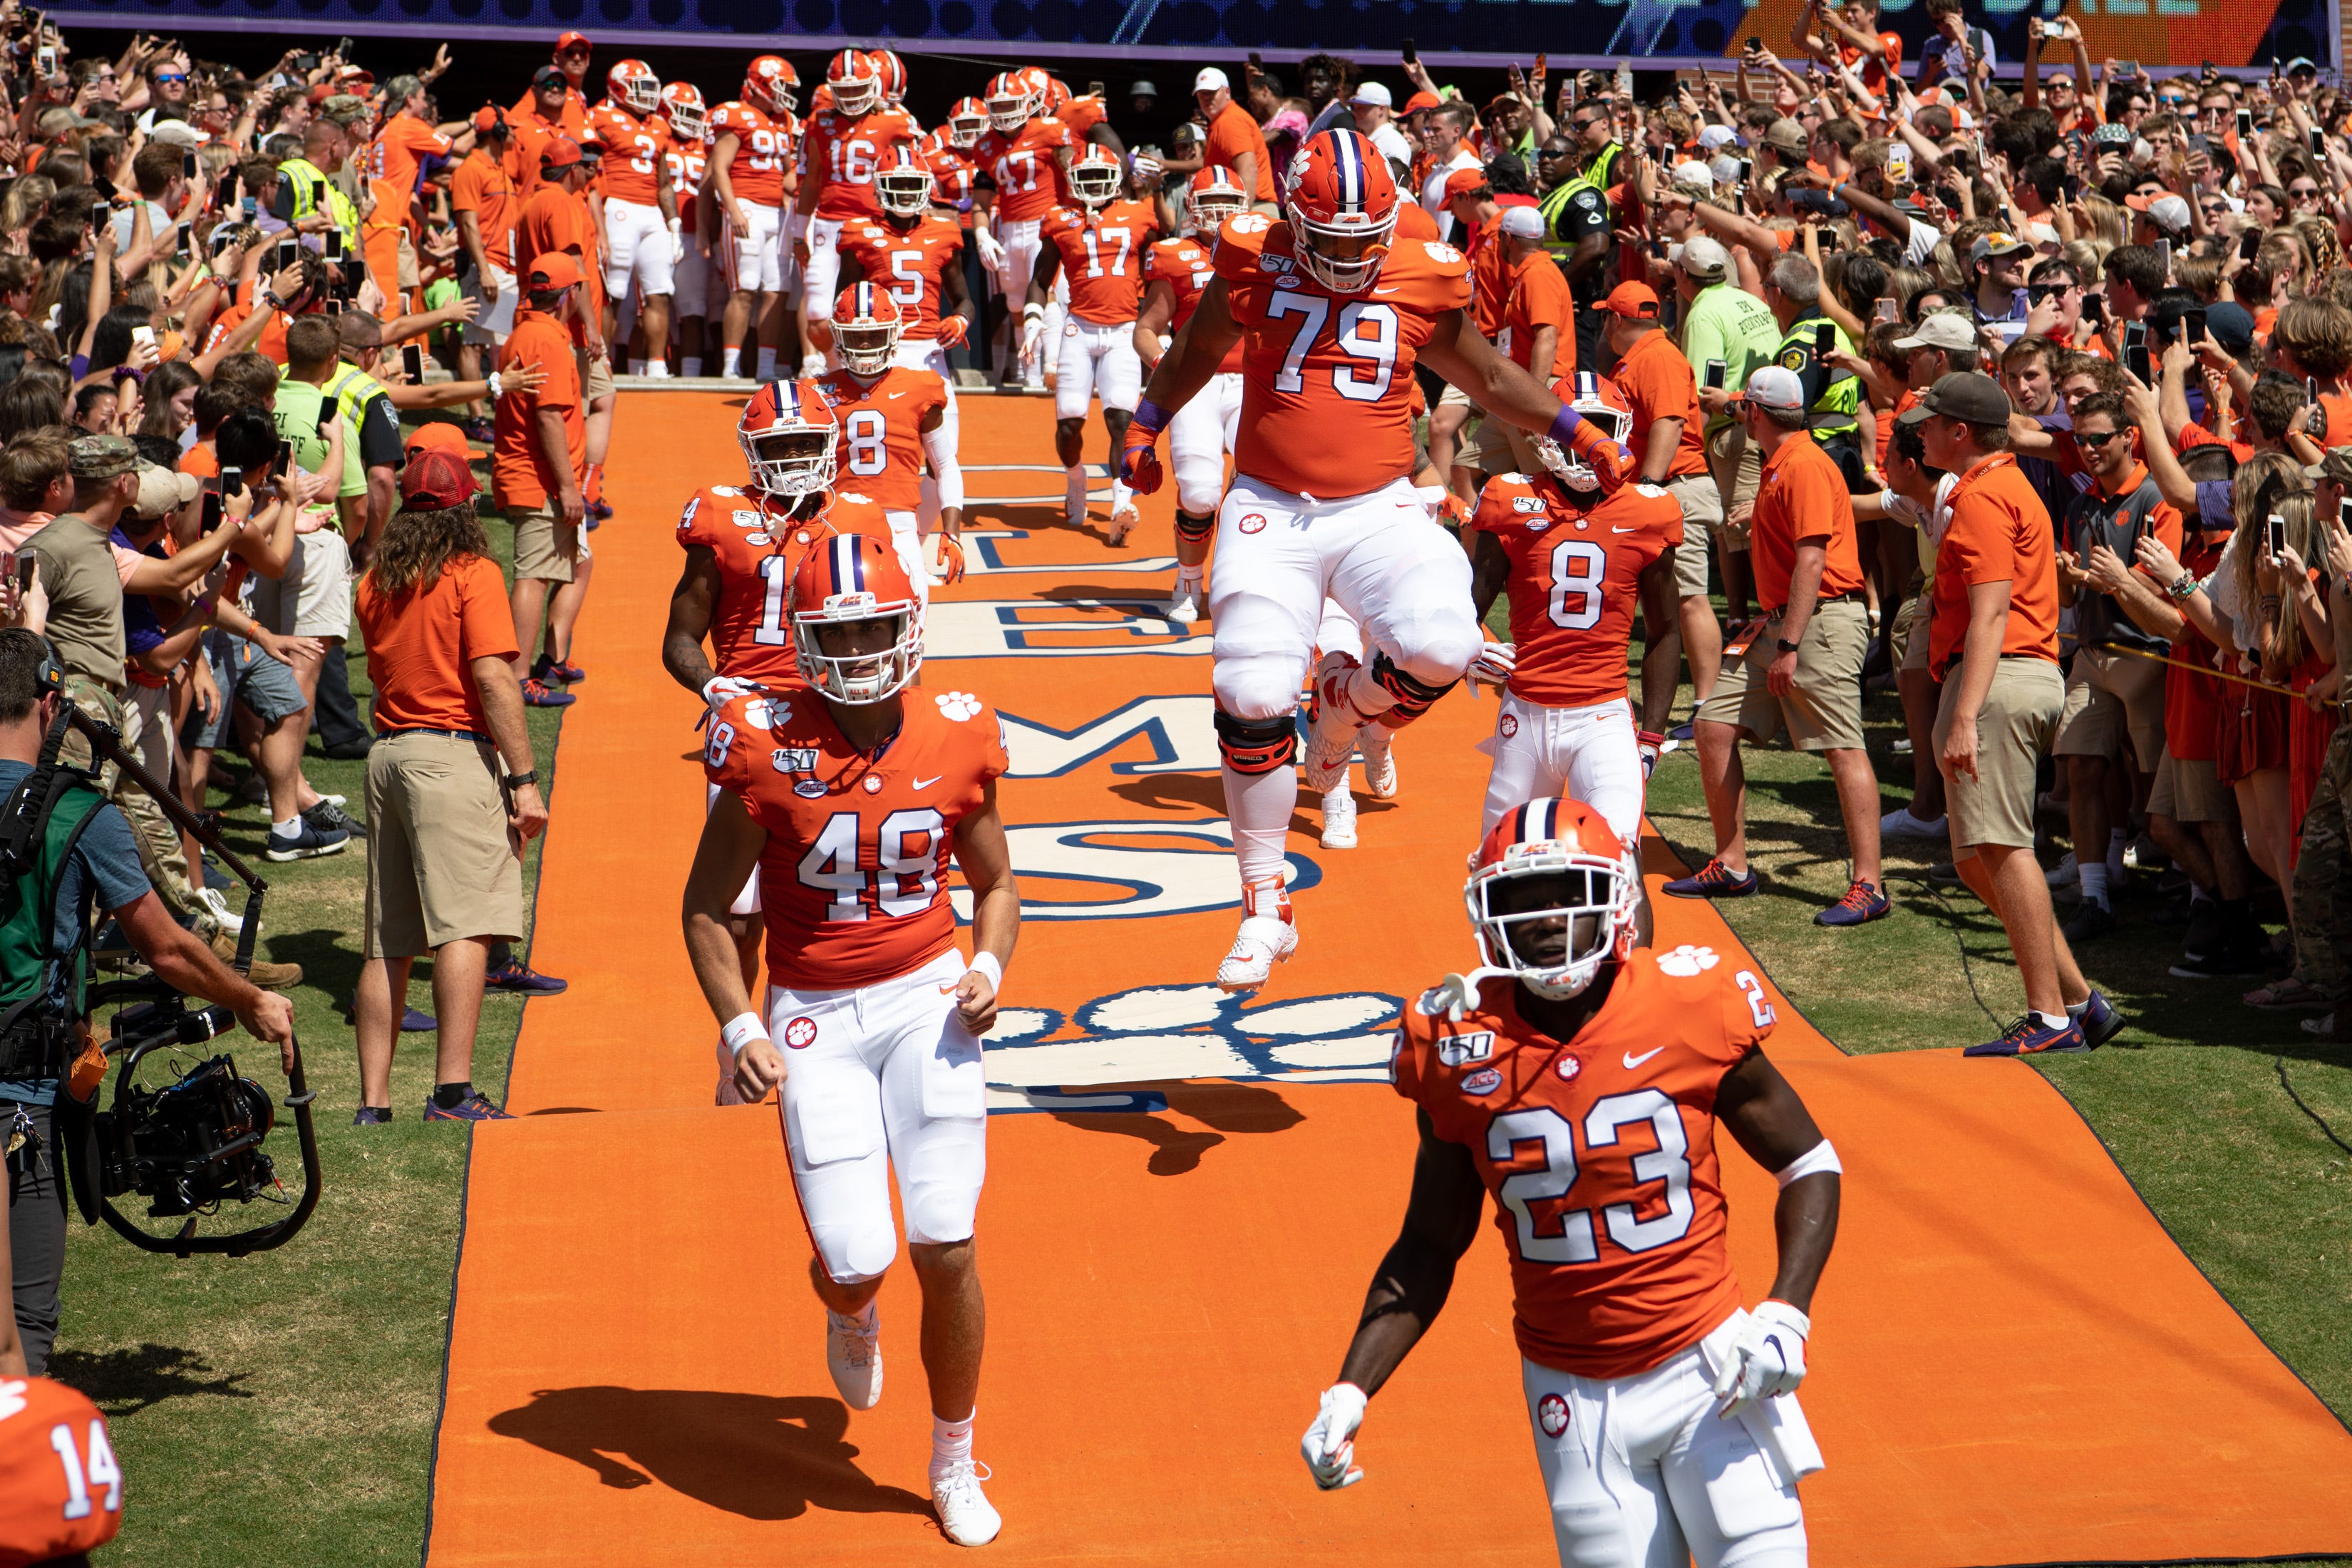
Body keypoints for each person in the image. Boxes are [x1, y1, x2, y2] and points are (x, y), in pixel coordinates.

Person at [1300, 796, 1840, 1568]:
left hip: (1710, 1369)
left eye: (1565, 894)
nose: (1548, 919)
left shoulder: (1689, 1002)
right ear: (1488, 915)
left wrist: (1788, 1310)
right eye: (1522, 899)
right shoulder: (1455, 1048)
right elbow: (1428, 1243)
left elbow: (1809, 1163)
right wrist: (1350, 1389)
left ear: (1614, 899)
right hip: (1573, 1397)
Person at [1120, 128, 1592, 991]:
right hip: (1271, 504)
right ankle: (1265, 903)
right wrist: (1148, 421)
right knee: (1253, 689)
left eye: (1360, 241)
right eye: (1327, 241)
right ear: (1294, 221)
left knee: (1444, 645)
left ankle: (1341, 714)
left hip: (1378, 505)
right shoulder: (1253, 259)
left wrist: (1570, 425)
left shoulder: (1419, 266)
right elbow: (1194, 350)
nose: (1344, 257)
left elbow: (1487, 374)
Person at [682, 533, 1019, 1548]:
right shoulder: (760, 737)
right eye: (842, 631)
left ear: (910, 624)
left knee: (947, 1239)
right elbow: (705, 907)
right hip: (816, 1014)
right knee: (859, 1254)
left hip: (926, 997)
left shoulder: (960, 731)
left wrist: (990, 968)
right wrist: (739, 1021)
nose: (866, 648)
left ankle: (955, 1456)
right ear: (805, 639)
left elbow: (996, 883)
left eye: (879, 625)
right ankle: (848, 1305)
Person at [0, 627, 296, 1375]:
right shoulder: (83, 817)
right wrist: (251, 998)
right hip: (18, 1103)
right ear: (50, 702)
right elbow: (168, 948)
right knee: (21, 1328)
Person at [1908, 372, 2120, 1055]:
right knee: (1975, 859)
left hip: (1997, 681)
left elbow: (1991, 611)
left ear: (1960, 432)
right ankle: (2081, 1003)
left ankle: (2050, 1020)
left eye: (1931, 421)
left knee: (2003, 848)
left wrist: (1965, 714)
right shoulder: (1994, 486)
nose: (1922, 431)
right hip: (1997, 679)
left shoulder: (1986, 495)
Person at [351, 451, 548, 1125]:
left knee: (388, 939)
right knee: (467, 925)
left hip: (388, 756)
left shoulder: (375, 580)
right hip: (451, 756)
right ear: (468, 508)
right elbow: (494, 679)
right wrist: (524, 782)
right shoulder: (477, 573)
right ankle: (453, 1094)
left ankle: (373, 1103)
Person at [1666, 367, 1887, 926]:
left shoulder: (1804, 465)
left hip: (1816, 623)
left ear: (1758, 414)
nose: (1739, 414)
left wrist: (1788, 643)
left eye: (1744, 408)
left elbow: (1813, 558)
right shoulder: (1784, 461)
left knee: (1842, 748)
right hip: (1777, 625)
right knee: (1713, 726)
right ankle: (1733, 865)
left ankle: (1869, 885)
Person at [1467, 378, 1679, 847]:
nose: (1585, 444)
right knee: (1502, 864)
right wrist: (1471, 648)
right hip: (1525, 714)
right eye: (1574, 428)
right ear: (1546, 431)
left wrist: (1651, 736)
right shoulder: (1510, 499)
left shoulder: (1650, 511)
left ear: (1620, 432)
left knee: (1616, 860)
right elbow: (1469, 606)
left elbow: (1666, 632)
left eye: (1598, 427)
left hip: (1602, 718)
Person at [2051, 392, 2181, 944]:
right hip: (2093, 652)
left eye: (2099, 438)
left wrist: (2109, 580)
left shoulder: (2159, 500)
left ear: (2130, 436)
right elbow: (2064, 590)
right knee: (2079, 769)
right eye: (2080, 440)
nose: (2087, 450)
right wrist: (2065, 574)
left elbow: (2163, 591)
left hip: (2146, 657)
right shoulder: (2080, 506)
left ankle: (2187, 892)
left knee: (2157, 793)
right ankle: (2095, 894)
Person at [1132, 166, 1251, 621]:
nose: (1219, 211)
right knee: (1201, 492)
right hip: (1197, 384)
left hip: (1255, 381)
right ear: (1190, 207)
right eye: (1210, 201)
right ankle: (1189, 579)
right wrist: (1171, 367)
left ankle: (1245, 584)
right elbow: (1146, 330)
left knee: (1262, 492)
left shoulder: (1267, 250)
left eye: (1228, 200)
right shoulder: (1174, 255)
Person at [1027, 145, 1157, 541]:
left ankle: (1121, 501)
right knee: (1069, 424)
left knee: (1121, 418)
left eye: (1102, 176)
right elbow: (1040, 277)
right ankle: (1076, 477)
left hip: (1122, 330)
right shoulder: (1060, 220)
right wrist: (1033, 319)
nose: (1095, 186)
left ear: (1117, 179)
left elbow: (1157, 272)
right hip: (1078, 327)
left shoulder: (1139, 214)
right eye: (1087, 177)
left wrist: (1157, 323)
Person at [813, 284, 959, 586]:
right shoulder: (814, 391)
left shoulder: (921, 386)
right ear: (839, 335)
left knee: (913, 612)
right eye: (857, 337)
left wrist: (952, 532)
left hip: (899, 522)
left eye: (874, 335)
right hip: (834, 517)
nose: (865, 346)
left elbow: (945, 467)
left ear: (893, 333)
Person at [494, 254, 587, 708]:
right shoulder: (546, 340)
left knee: (581, 561)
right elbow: (549, 417)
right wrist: (568, 488)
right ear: (569, 295)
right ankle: (518, 679)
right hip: (538, 479)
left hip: (533, 474)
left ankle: (552, 658)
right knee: (532, 575)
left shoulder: (525, 332)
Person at [795, 48, 920, 379]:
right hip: (828, 224)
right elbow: (811, 181)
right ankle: (837, 370)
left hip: (874, 226)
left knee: (880, 310)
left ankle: (884, 371)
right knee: (818, 317)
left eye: (856, 88)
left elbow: (912, 175)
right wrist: (798, 231)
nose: (850, 97)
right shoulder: (820, 122)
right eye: (844, 90)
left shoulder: (896, 122)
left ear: (873, 86)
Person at [971, 68, 1075, 390]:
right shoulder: (985, 146)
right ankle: (1030, 375)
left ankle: (1054, 369)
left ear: (1028, 102)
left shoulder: (1050, 130)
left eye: (1010, 104)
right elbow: (981, 200)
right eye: (998, 106)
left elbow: (1072, 171)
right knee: (1017, 306)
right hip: (1009, 230)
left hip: (1045, 225)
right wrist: (981, 234)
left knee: (1049, 297)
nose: (1003, 113)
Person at [585, 58, 680, 378]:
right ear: (617, 88)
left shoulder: (660, 125)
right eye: (640, 88)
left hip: (652, 212)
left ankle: (656, 365)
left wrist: (674, 223)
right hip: (618, 207)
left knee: (659, 289)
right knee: (614, 290)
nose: (648, 96)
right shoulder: (599, 117)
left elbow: (664, 183)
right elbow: (590, 171)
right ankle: (603, 362)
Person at [707, 56, 798, 383]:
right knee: (744, 288)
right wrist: (732, 210)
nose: (786, 93)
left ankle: (765, 367)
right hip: (746, 207)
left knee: (777, 290)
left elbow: (788, 174)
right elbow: (719, 168)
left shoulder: (784, 119)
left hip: (777, 212)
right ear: (761, 83)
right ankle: (731, 364)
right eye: (781, 86)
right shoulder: (735, 114)